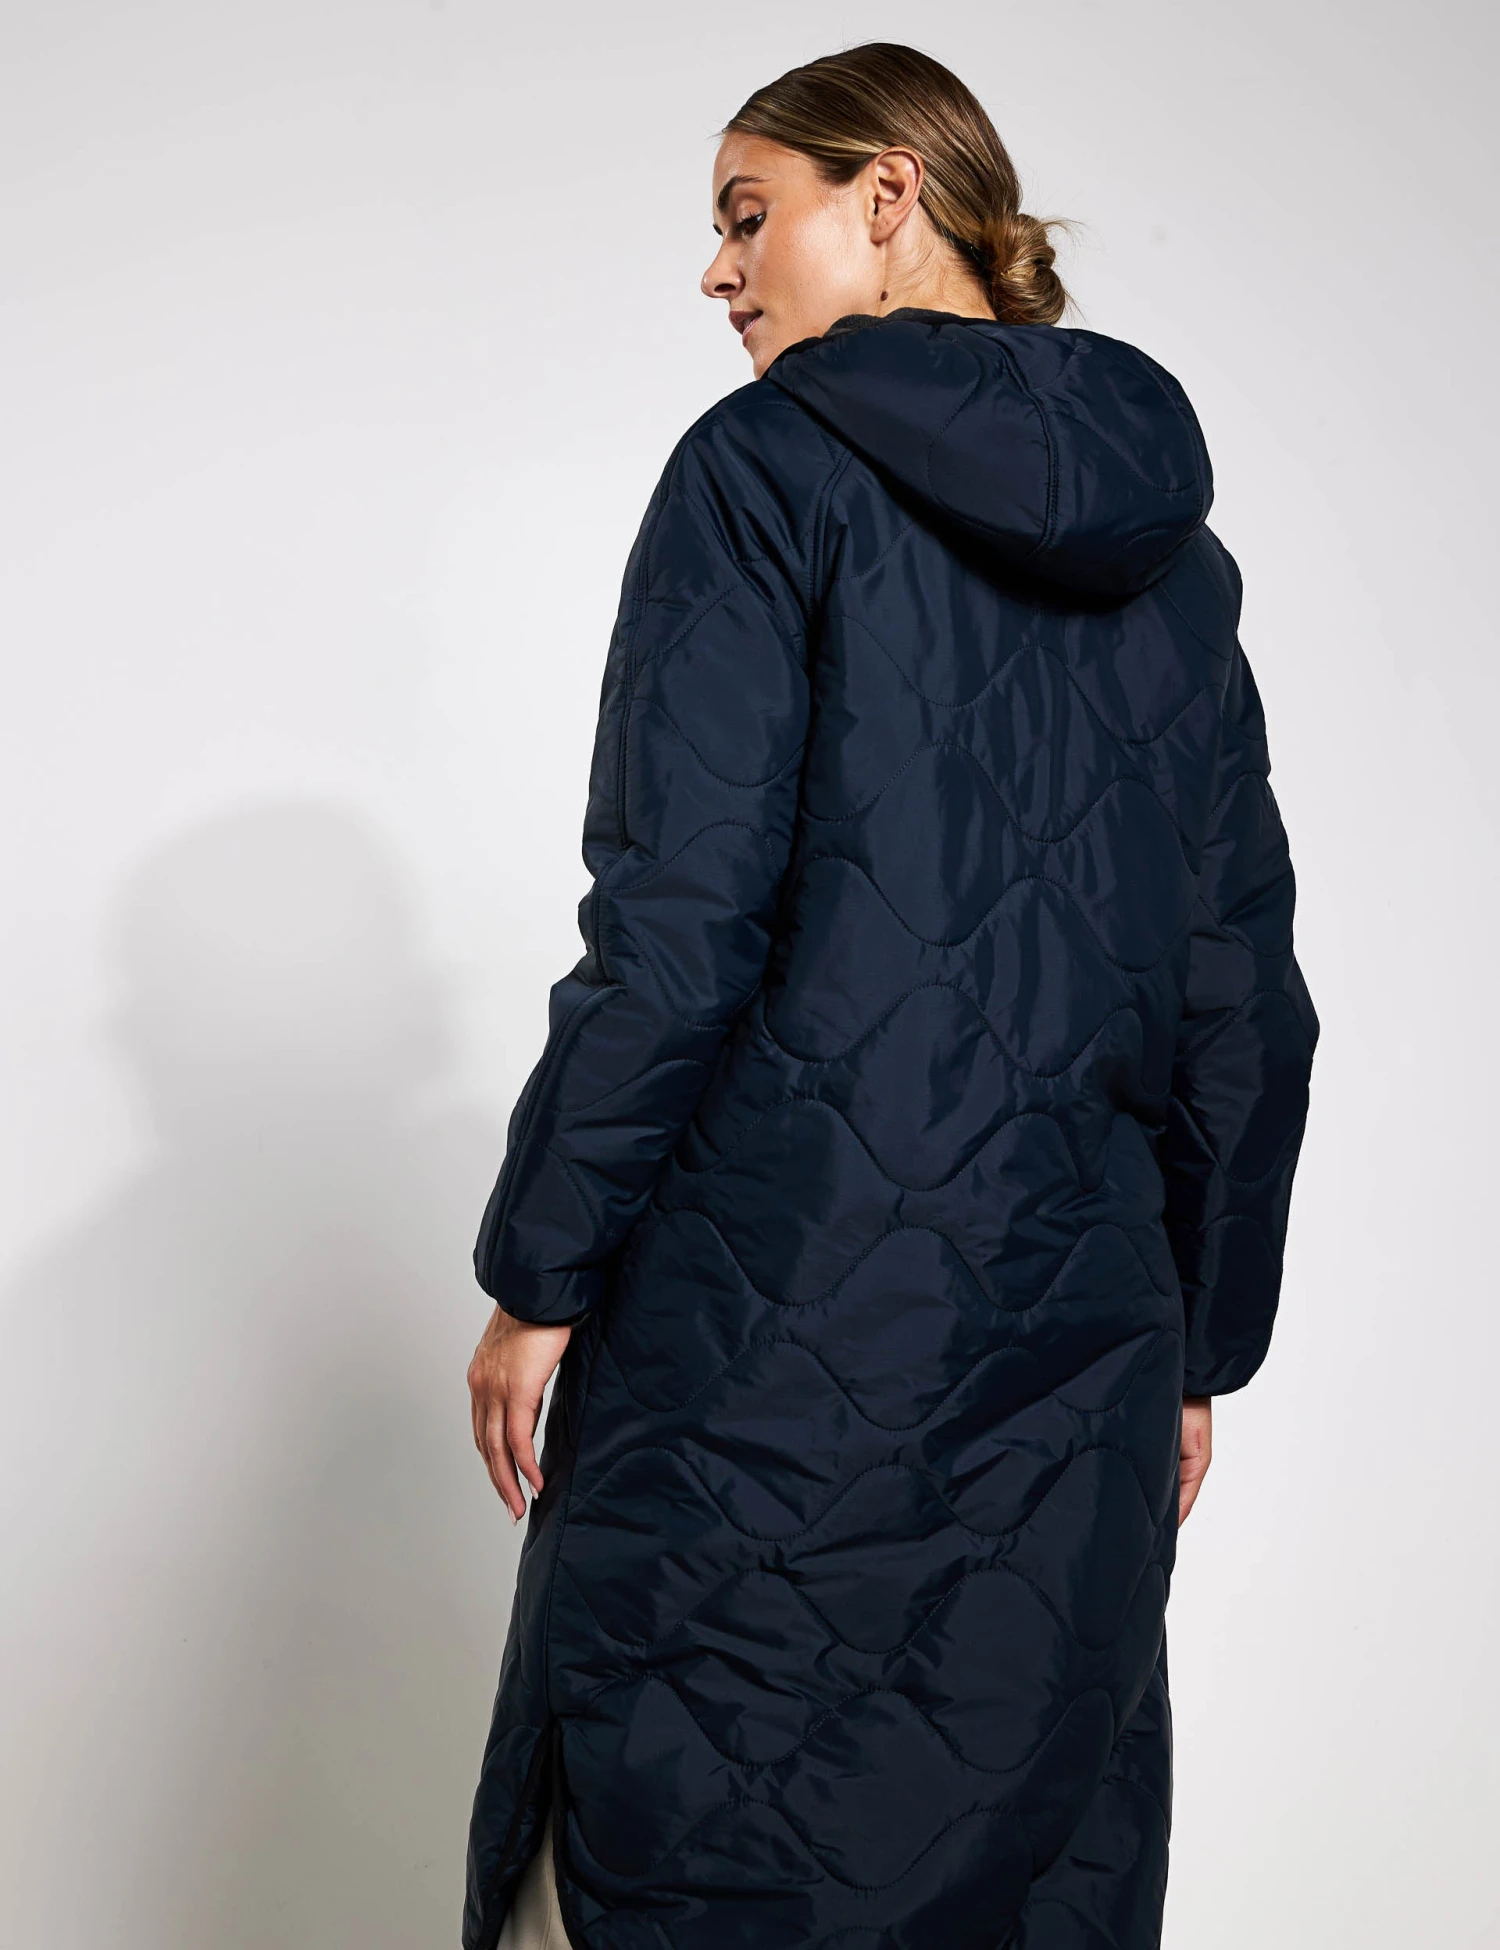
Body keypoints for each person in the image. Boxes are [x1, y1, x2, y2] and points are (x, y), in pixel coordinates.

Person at [463, 40, 1317, 1950]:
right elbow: (1245, 993)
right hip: (1079, 1348)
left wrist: (540, 1268)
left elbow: (676, 923)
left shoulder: (757, 473)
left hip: (761, 1327)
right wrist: (1195, 1341)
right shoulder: (1182, 568)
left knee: (688, 1846)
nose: (717, 270)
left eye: (746, 213)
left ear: (891, 194)